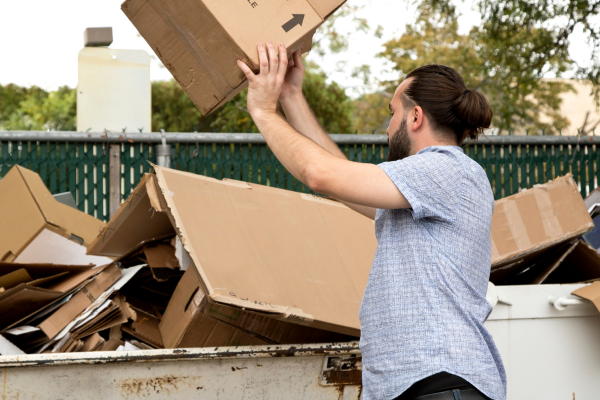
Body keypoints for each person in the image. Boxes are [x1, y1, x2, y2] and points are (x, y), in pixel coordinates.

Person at [237, 42, 506, 400]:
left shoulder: (446, 169)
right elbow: (341, 181)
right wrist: (289, 95)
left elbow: (319, 174)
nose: (387, 126)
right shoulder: (421, 188)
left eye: (393, 112)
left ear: (415, 117)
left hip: (439, 385)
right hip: (418, 386)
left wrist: (263, 111)